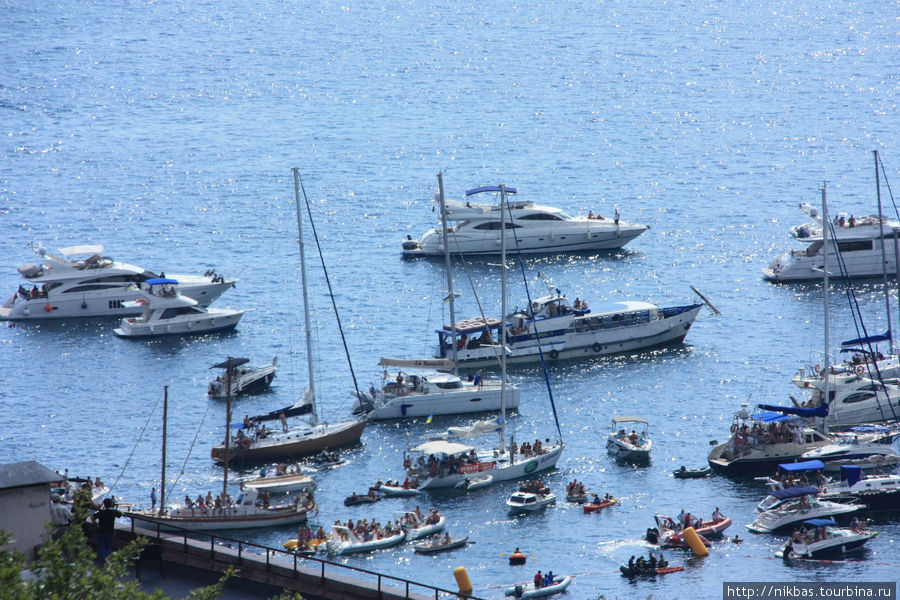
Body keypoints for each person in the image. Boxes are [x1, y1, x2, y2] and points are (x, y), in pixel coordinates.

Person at [91, 497, 123, 563]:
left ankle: (101, 560)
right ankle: (107, 560)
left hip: (100, 531)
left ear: (104, 504)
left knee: (101, 546)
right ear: (111, 505)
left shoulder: (101, 512)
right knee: (108, 546)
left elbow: (92, 517)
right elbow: (120, 514)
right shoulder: (113, 512)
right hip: (109, 532)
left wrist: (96, 524)